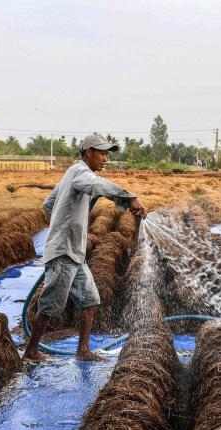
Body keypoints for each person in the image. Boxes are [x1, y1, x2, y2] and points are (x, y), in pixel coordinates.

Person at [24, 133, 146, 362]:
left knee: (89, 299)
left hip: (74, 253)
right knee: (51, 305)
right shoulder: (81, 173)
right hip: (63, 252)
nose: (106, 159)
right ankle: (31, 351)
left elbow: (48, 204)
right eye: (102, 153)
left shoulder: (71, 172)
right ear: (88, 152)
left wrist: (66, 221)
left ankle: (83, 351)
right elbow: (95, 185)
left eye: (107, 154)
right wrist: (130, 198)